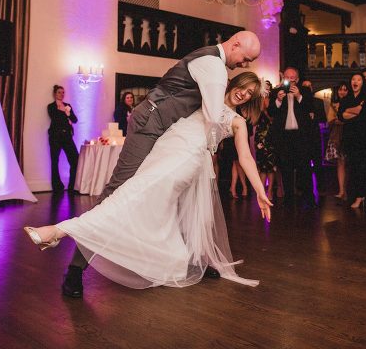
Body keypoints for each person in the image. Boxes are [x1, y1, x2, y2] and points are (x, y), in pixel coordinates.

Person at [24, 72, 273, 291]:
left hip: (182, 162)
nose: (243, 93)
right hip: (161, 150)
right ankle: (176, 257)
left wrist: (260, 191)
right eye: (243, 87)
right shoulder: (207, 94)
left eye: (250, 93)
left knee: (130, 198)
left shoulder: (237, 121)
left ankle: (59, 231)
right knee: (145, 206)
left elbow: (246, 158)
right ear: (234, 83)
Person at [60, 31, 261, 297]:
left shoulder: (212, 62)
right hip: (151, 125)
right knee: (118, 190)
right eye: (246, 59)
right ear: (235, 44)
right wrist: (210, 146)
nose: (244, 65)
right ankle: (75, 269)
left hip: (168, 132)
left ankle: (186, 261)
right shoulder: (213, 64)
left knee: (171, 196)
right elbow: (213, 116)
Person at [267, 66, 315, 207]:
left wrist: (299, 96)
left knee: (304, 168)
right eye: (287, 78)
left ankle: (309, 198)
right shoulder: (276, 92)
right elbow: (271, 112)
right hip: (284, 137)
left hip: (301, 136)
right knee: (285, 168)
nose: (289, 81)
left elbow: (310, 108)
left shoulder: (305, 91)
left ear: (297, 80)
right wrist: (278, 100)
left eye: (292, 78)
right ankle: (288, 199)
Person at [339, 72, 366, 210]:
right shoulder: (347, 98)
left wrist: (349, 111)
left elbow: (362, 112)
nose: (355, 82)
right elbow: (341, 115)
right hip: (352, 138)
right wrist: (355, 110)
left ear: (362, 82)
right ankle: (359, 196)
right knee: (355, 168)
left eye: (358, 79)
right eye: (353, 79)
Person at [47, 84, 79, 194]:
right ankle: (57, 186)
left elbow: (75, 120)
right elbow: (56, 119)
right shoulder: (51, 106)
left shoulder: (67, 106)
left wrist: (68, 113)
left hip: (67, 136)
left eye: (63, 92)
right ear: (55, 94)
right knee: (55, 161)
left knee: (75, 160)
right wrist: (64, 113)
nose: (61, 94)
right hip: (55, 137)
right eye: (59, 92)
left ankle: (72, 186)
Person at [253, 85, 278, 200]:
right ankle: (262, 191)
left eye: (267, 87)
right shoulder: (257, 101)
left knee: (271, 166)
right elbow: (254, 120)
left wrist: (265, 110)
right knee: (262, 166)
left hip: (271, 135)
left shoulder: (273, 101)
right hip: (260, 136)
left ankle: (270, 191)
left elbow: (273, 119)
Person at [325, 81, 349, 201]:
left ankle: (348, 190)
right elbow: (330, 120)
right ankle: (341, 190)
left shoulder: (351, 103)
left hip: (349, 134)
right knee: (340, 163)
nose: (342, 92)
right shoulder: (333, 105)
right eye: (340, 89)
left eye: (345, 89)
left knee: (349, 163)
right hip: (337, 135)